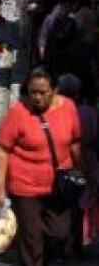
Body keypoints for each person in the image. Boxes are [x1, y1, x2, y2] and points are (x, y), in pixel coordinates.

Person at [0, 67, 83, 266]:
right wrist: (0, 187)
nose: (38, 98)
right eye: (33, 93)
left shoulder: (68, 109)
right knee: (32, 237)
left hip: (58, 185)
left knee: (59, 233)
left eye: (43, 93)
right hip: (25, 185)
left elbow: (75, 141)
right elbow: (3, 150)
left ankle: (39, 265)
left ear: (55, 91)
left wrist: (81, 171)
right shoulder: (18, 113)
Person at [56, 74, 98, 255]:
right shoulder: (88, 112)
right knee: (79, 204)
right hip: (83, 164)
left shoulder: (55, 112)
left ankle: (60, 247)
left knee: (61, 204)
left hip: (62, 163)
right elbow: (95, 137)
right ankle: (77, 245)